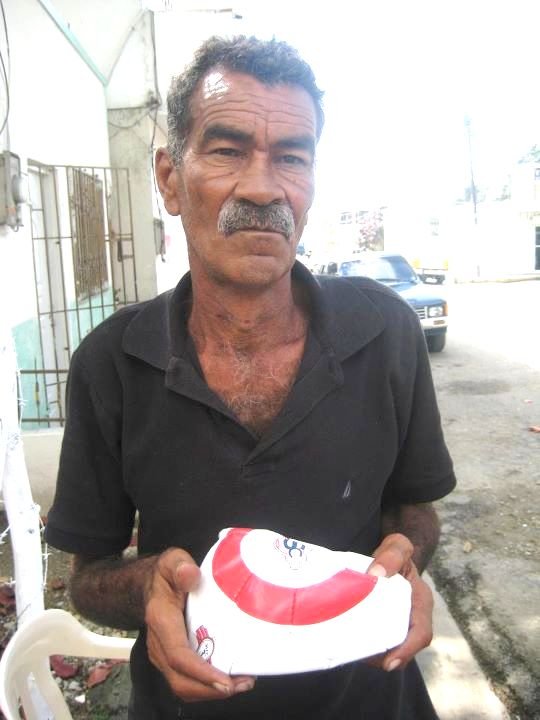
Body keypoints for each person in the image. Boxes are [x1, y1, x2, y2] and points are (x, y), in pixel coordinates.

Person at [45, 35, 456, 720]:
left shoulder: (385, 334)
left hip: (373, 702)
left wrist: (407, 557)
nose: (264, 187)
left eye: (292, 156)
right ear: (171, 179)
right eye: (228, 149)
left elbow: (415, 510)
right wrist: (150, 582)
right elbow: (86, 579)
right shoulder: (110, 364)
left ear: (311, 184)